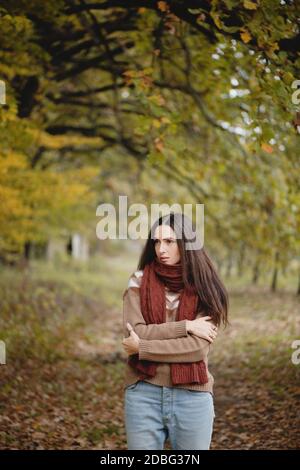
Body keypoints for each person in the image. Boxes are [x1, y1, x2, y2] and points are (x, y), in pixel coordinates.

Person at [122, 212, 228, 450]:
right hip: (143, 392)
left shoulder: (205, 287)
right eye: (157, 241)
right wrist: (186, 326)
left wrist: (143, 348)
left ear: (186, 244)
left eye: (169, 241)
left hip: (192, 395)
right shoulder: (138, 282)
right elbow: (136, 331)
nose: (161, 249)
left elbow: (196, 349)